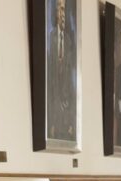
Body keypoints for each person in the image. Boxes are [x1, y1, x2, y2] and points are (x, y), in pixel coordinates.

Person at [46, 0, 77, 141]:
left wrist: (71, 120)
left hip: (66, 115)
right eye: (59, 9)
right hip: (54, 114)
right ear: (55, 13)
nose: (62, 14)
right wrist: (51, 121)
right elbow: (49, 82)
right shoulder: (50, 39)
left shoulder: (70, 42)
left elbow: (72, 85)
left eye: (64, 10)